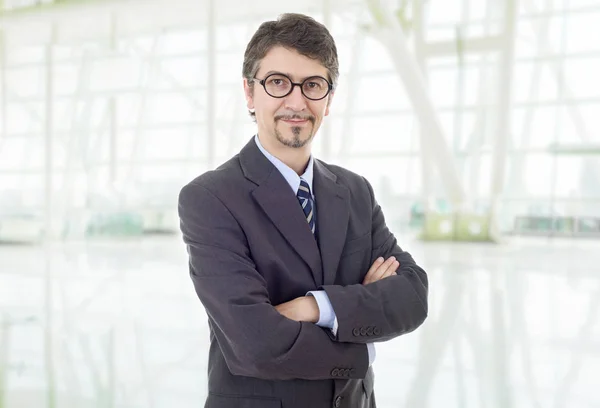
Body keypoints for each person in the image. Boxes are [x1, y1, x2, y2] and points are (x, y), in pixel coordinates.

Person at [178, 13, 428, 408]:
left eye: (313, 85)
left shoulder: (355, 191)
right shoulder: (211, 198)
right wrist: (359, 341)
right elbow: (255, 343)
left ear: (328, 100)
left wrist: (314, 307)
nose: (297, 101)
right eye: (278, 83)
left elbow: (412, 296)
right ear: (249, 92)